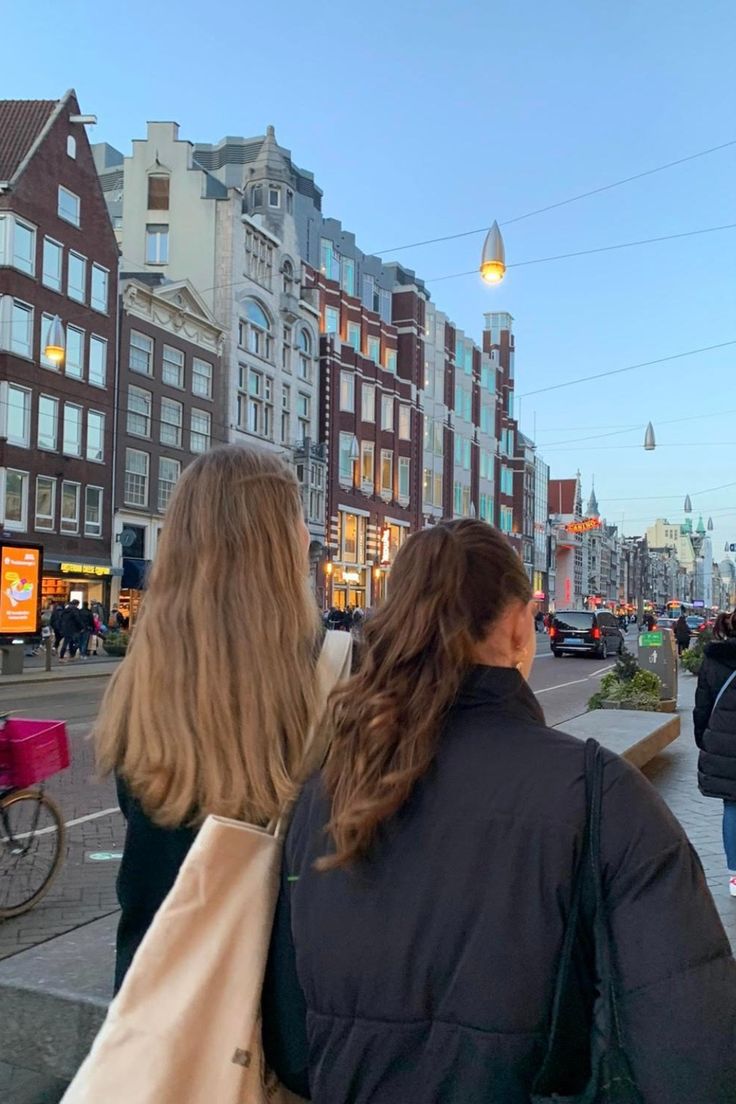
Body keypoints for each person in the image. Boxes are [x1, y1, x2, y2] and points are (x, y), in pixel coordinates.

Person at [263, 519, 736, 1103]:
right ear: (517, 627)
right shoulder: (600, 793)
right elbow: (692, 1045)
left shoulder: (326, 792)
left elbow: (291, 1043)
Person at [94, 445, 330, 993]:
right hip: (283, 1002)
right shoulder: (337, 672)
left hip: (159, 994)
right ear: (279, 542)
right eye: (297, 519)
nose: (306, 536)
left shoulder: (139, 683)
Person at [693, 609, 736, 896]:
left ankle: (735, 876)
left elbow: (702, 707)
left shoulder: (713, 657)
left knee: (732, 808)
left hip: (723, 745)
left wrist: (704, 740)